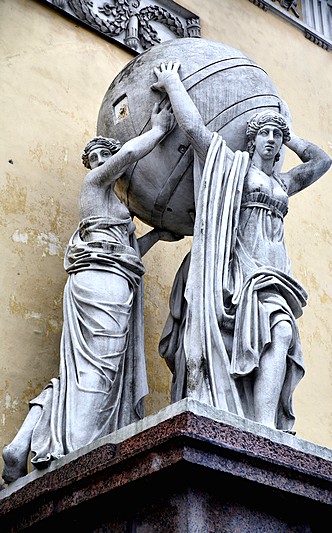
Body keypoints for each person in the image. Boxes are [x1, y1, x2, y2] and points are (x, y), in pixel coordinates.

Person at [2, 101, 179, 484]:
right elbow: (132, 151)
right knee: (100, 369)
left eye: (104, 155)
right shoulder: (94, 186)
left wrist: (156, 236)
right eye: (95, 157)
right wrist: (160, 129)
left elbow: (125, 252)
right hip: (102, 283)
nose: (100, 161)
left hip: (104, 276)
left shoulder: (116, 209)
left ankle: (21, 445)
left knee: (82, 370)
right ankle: (78, 453)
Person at [154, 62, 332, 431]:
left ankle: (265, 427)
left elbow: (322, 161)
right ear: (252, 140)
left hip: (275, 272)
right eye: (265, 133)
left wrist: (291, 132)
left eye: (276, 136)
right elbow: (195, 130)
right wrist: (172, 83)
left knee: (281, 333)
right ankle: (254, 421)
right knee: (259, 336)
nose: (272, 139)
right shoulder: (232, 168)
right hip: (238, 266)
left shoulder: (285, 183)